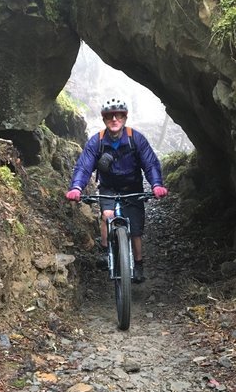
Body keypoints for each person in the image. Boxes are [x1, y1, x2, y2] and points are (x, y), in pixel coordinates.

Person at [66, 98, 168, 283]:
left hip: (132, 186)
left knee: (135, 229)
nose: (114, 119)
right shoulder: (96, 141)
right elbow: (84, 166)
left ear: (124, 118)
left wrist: (156, 184)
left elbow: (150, 163)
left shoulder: (135, 138)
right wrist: (76, 187)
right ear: (104, 119)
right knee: (107, 215)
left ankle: (138, 264)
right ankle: (106, 251)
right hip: (108, 186)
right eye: (109, 116)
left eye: (118, 115)